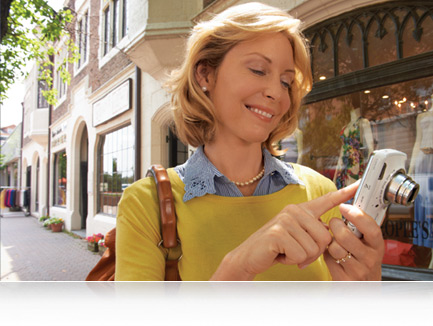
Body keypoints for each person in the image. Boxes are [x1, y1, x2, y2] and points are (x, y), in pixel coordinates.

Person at [115, 2, 384, 281]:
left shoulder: (320, 192)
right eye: (258, 70)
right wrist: (237, 268)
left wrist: (366, 285)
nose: (276, 93)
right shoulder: (146, 204)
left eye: (286, 82)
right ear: (205, 74)